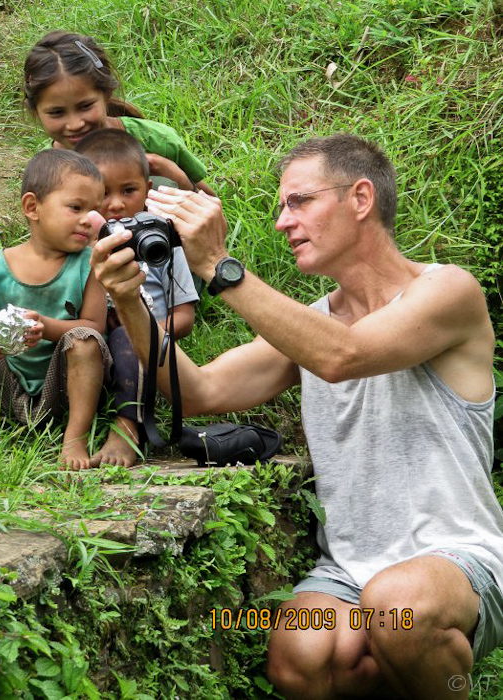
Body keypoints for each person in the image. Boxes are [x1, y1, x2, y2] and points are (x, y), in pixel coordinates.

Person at [91, 133, 503, 699]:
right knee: (298, 658)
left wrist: (216, 264)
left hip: (459, 560)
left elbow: (343, 356)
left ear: (361, 199)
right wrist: (129, 301)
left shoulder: (447, 291)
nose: (282, 222)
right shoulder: (307, 326)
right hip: (349, 573)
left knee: (398, 610)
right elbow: (202, 389)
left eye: (300, 201)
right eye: (280, 206)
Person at [0, 149, 117, 471]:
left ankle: (75, 437)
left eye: (95, 210)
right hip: (8, 378)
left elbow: (96, 326)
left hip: (64, 384)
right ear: (32, 207)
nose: (89, 219)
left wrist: (47, 326)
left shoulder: (90, 263)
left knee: (83, 340)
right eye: (75, 207)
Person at [74, 128, 199, 467]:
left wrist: (148, 329)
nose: (115, 204)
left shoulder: (159, 244)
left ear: (147, 191)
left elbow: (184, 317)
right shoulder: (73, 247)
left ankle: (127, 427)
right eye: (102, 193)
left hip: (142, 348)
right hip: (86, 348)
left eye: (128, 190)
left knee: (127, 334)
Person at [23, 30, 215, 196]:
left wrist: (172, 174)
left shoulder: (157, 141)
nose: (75, 124)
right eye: (56, 113)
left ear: (106, 94)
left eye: (85, 106)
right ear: (36, 111)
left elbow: (210, 206)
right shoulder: (47, 170)